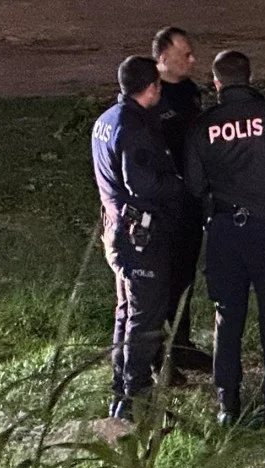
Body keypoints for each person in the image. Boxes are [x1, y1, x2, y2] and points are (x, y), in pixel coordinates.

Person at [184, 50, 265, 425]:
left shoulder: (203, 125)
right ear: (250, 76)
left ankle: (227, 406)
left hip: (225, 233)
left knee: (228, 319)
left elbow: (194, 184)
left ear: (216, 83)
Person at [90, 56, 183, 420]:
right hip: (139, 236)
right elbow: (142, 183)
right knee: (144, 319)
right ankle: (135, 399)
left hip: (115, 231)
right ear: (151, 88)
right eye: (159, 85)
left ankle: (120, 390)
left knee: (126, 312)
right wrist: (178, 185)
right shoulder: (135, 128)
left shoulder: (106, 120)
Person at [152, 26, 213, 374]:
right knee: (162, 279)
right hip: (163, 206)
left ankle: (181, 344)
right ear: (163, 58)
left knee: (185, 276)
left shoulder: (189, 91)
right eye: (184, 54)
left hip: (191, 200)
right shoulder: (150, 96)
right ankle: (157, 355)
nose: (193, 60)